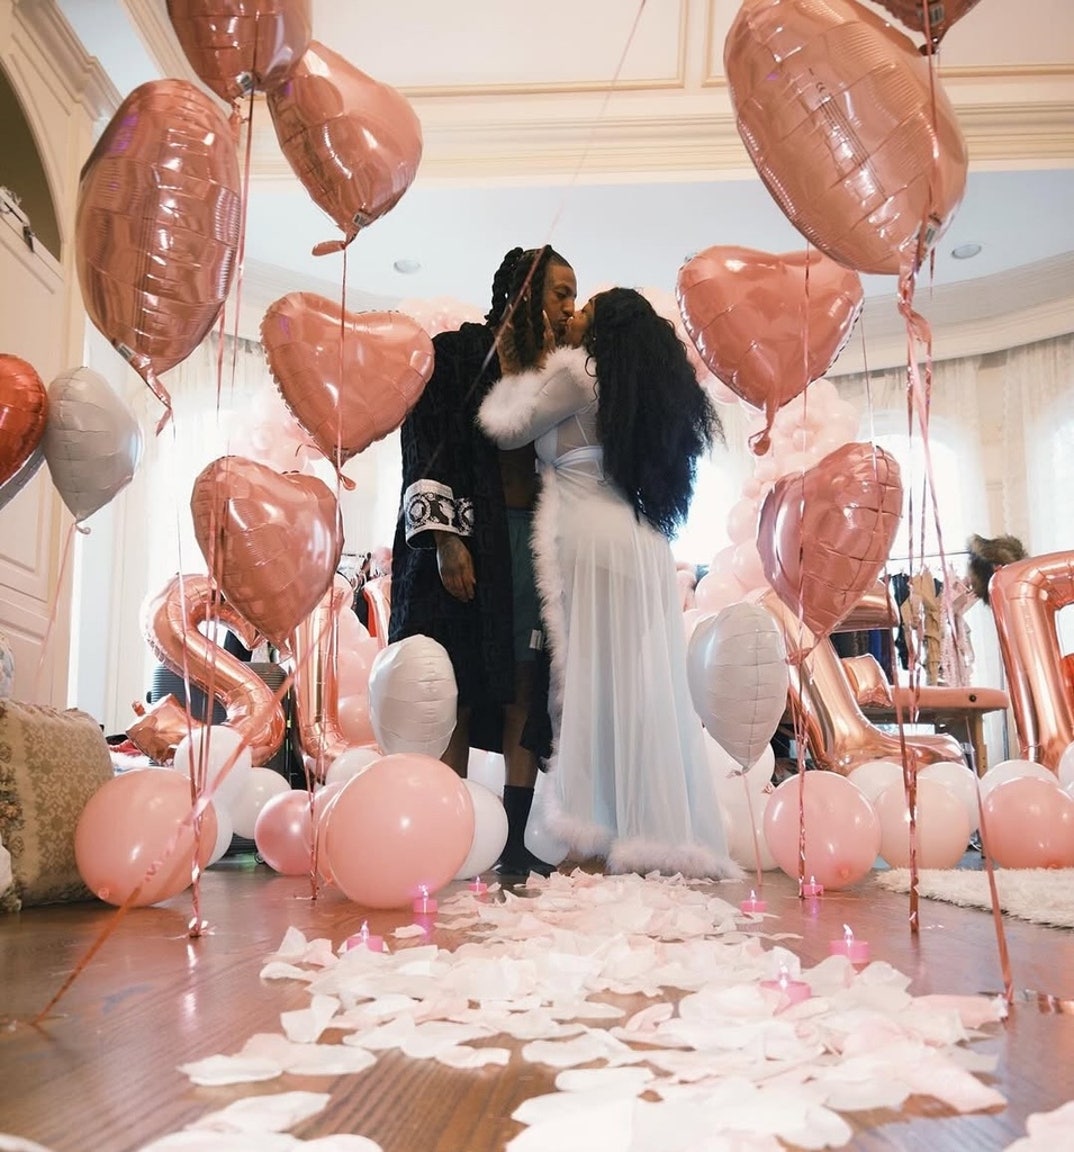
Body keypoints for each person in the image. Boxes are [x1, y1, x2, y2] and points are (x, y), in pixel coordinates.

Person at [479, 287, 740, 878]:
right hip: (641, 542)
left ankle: (592, 835)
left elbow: (507, 428)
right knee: (636, 688)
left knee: (590, 686)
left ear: (602, 332)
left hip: (591, 539)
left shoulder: (579, 374)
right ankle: (647, 831)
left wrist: (519, 373)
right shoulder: (638, 386)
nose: (572, 317)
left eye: (585, 311)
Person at [389, 246, 577, 878]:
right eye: (560, 293)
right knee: (461, 688)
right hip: (471, 541)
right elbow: (425, 445)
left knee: (528, 685)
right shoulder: (459, 354)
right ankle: (450, 833)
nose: (569, 309)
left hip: (535, 547)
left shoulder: (557, 372)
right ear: (525, 293)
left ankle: (515, 841)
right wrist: (444, 539)